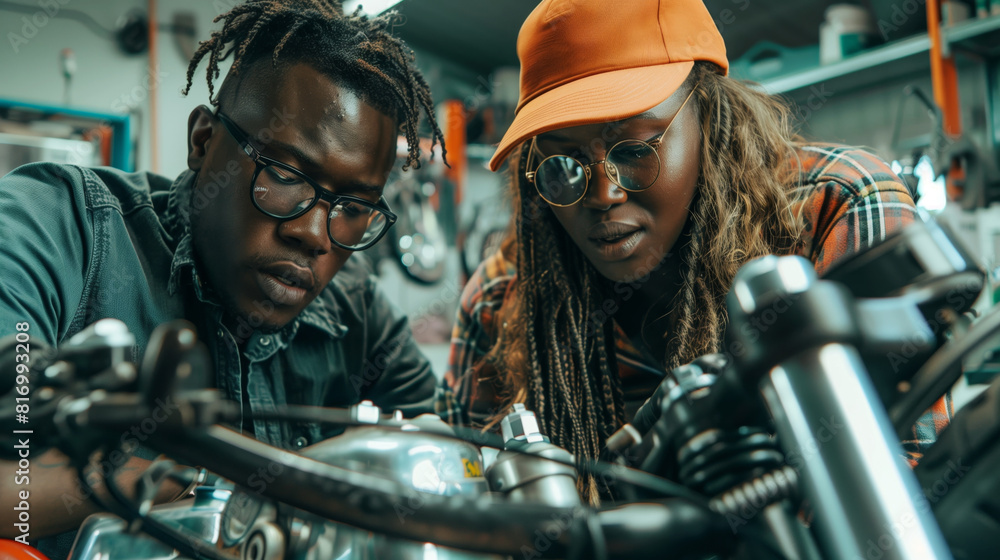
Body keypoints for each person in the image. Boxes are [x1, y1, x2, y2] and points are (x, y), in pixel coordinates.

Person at [437, 0, 950, 501]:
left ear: (706, 111)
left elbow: (908, 484)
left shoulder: (834, 207)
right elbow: (460, 505)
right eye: (563, 165)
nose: (602, 195)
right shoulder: (501, 297)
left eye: (635, 150)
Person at [0, 0, 445, 554]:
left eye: (355, 206)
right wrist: (192, 478)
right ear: (203, 143)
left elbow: (445, 469)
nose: (314, 234)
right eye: (284, 174)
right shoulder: (61, 226)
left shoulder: (359, 316)